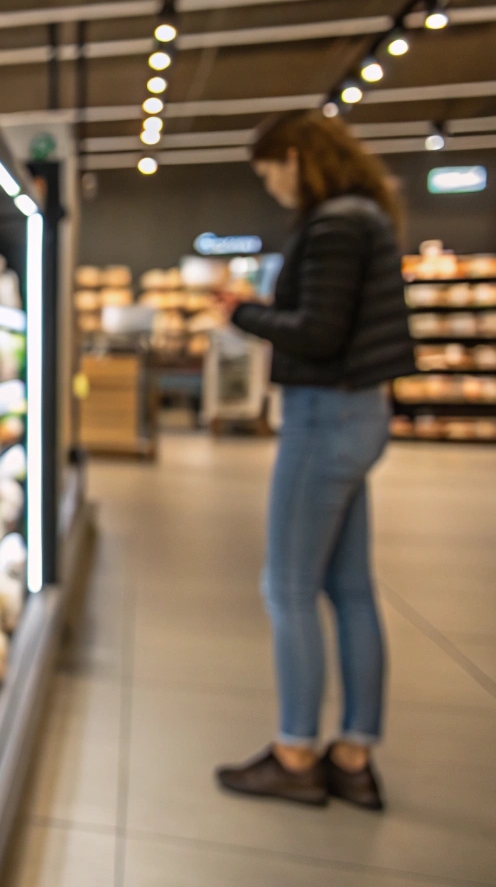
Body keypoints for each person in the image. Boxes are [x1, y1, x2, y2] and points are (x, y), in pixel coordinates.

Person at [212, 110, 415, 810]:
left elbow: (319, 334)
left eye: (270, 172)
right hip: (362, 414)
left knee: (288, 586)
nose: (272, 188)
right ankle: (354, 753)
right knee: (351, 587)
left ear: (296, 157)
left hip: (324, 414)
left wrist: (243, 313)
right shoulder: (370, 216)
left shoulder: (332, 224)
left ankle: (297, 753)